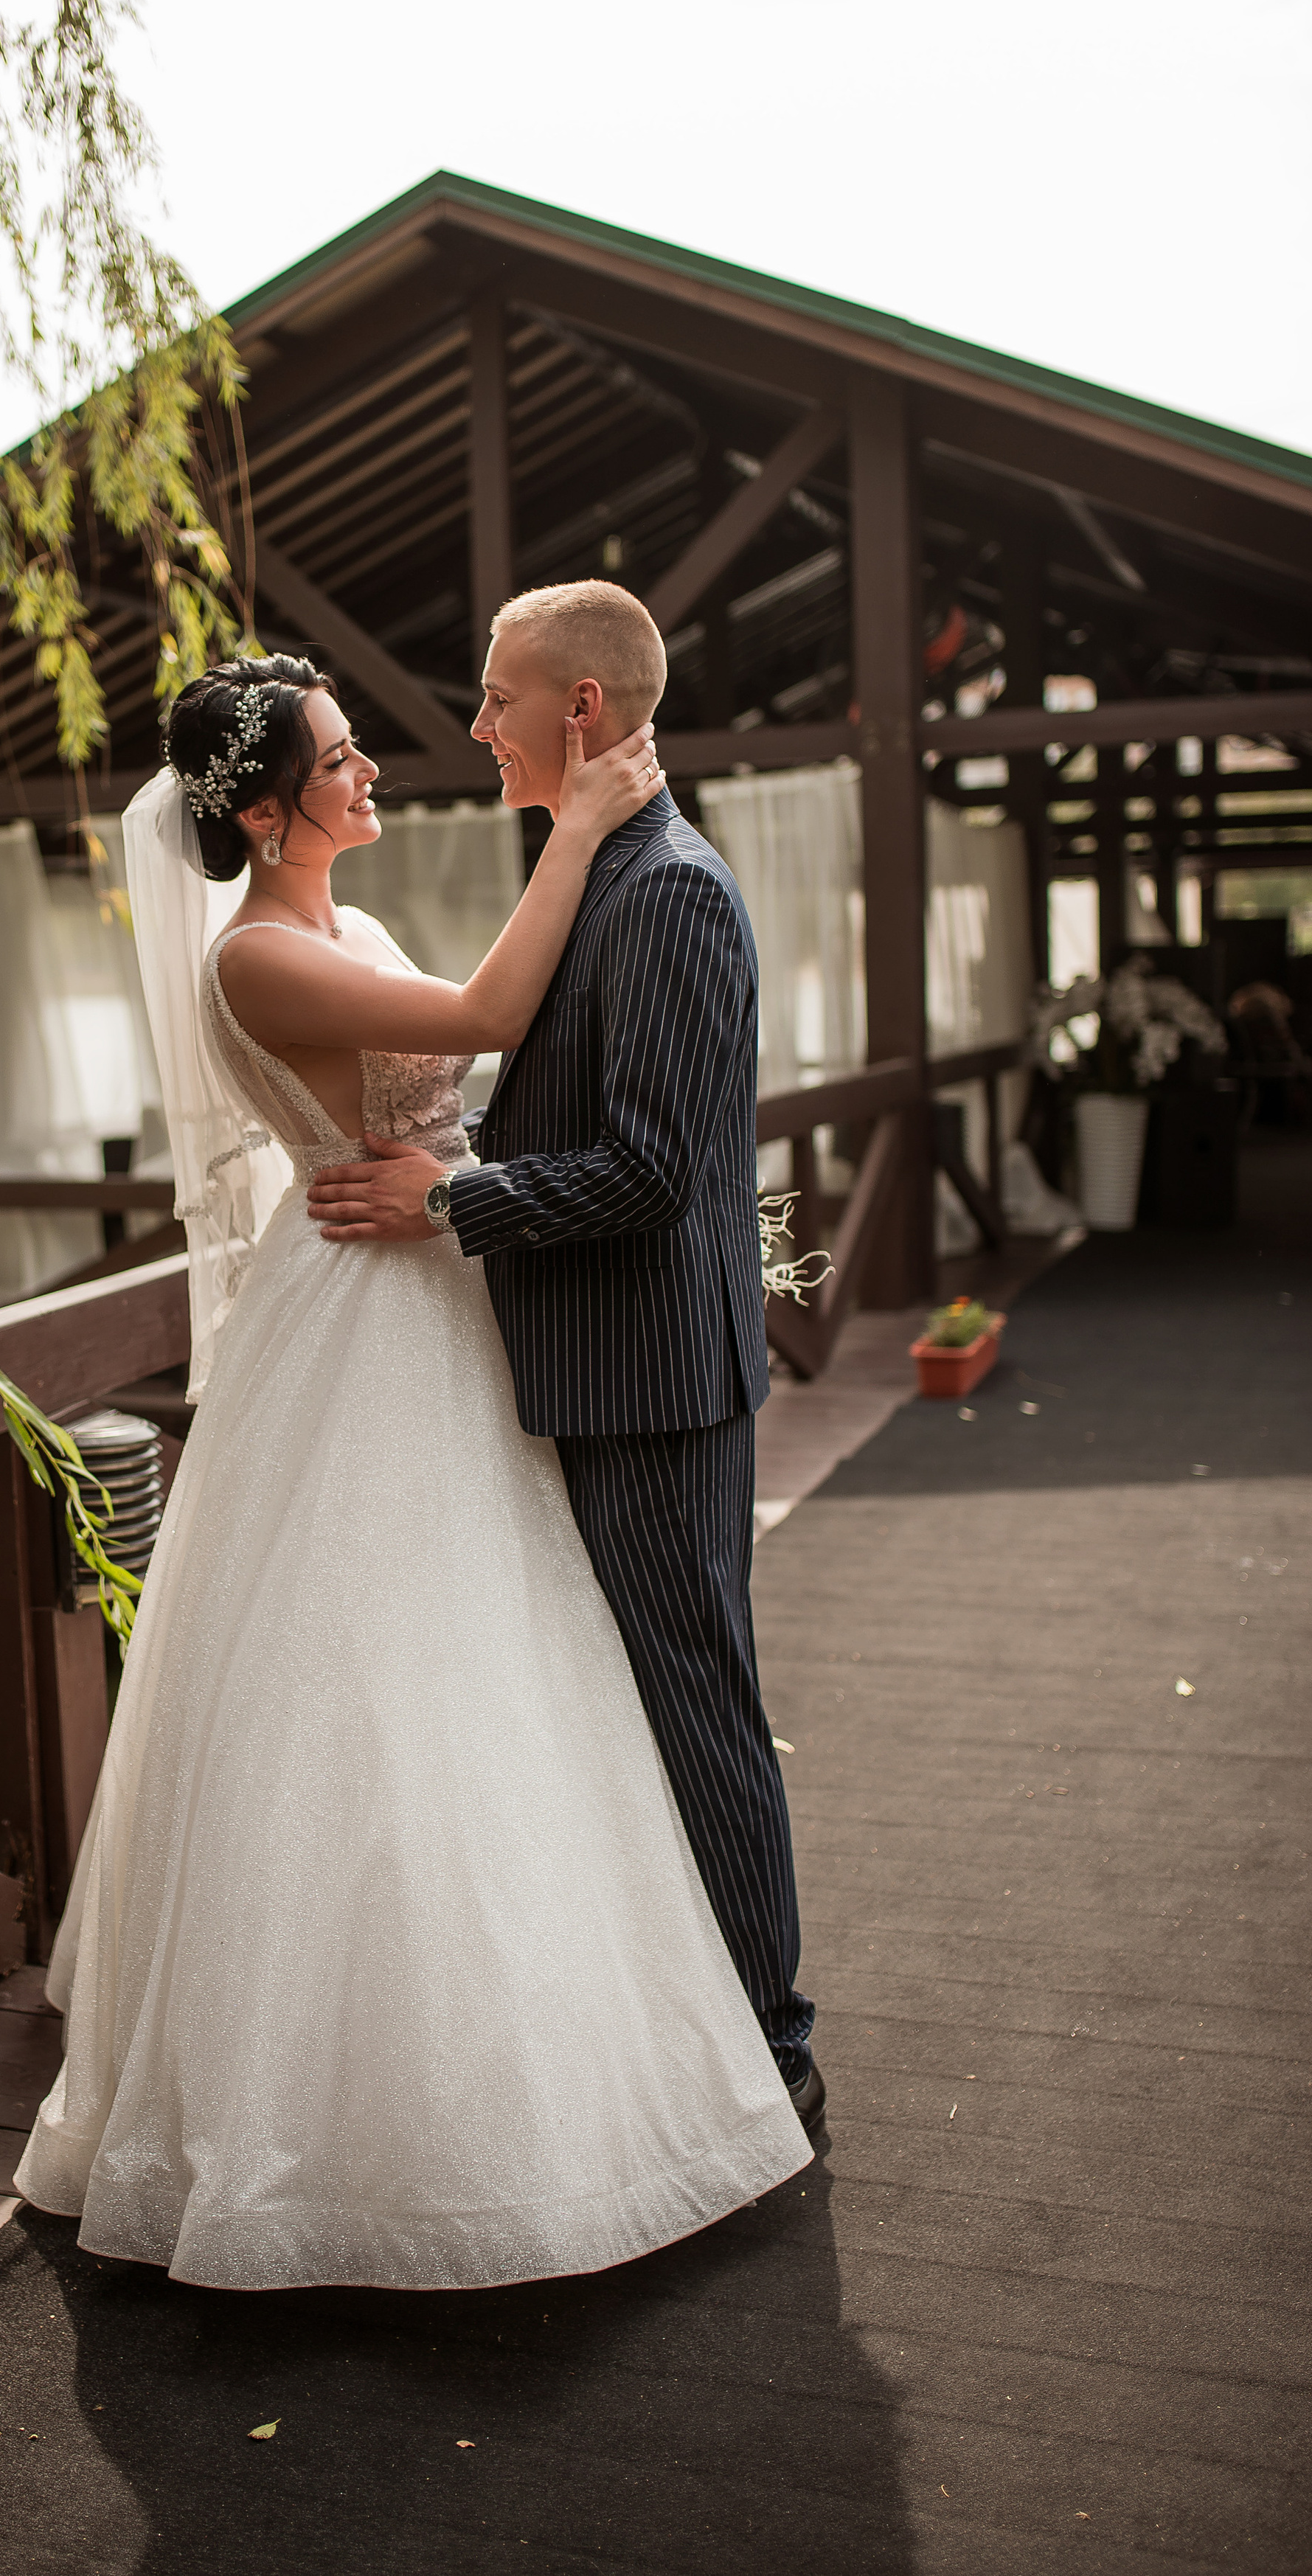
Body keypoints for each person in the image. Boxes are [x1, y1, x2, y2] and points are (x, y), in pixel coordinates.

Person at [15, 650, 813, 2287]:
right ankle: (351, 2118)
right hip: (363, 1316)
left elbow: (473, 1097)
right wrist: (583, 823)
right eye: (337, 756)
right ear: (259, 810)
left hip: (441, 1287)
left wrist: (468, 1188)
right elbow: (482, 1021)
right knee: (367, 1679)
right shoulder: (261, 965)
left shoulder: (348, 927)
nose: (372, 769)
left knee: (511, 1671)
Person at [306, 583, 822, 2131]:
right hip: (606, 1372)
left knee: (692, 1707)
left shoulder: (662, 892)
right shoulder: (599, 866)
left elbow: (662, 1172)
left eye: (494, 699)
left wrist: (449, 1199)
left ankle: (771, 2055)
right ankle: (706, 2035)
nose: (474, 728)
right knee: (646, 1708)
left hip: (651, 1388)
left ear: (577, 710)